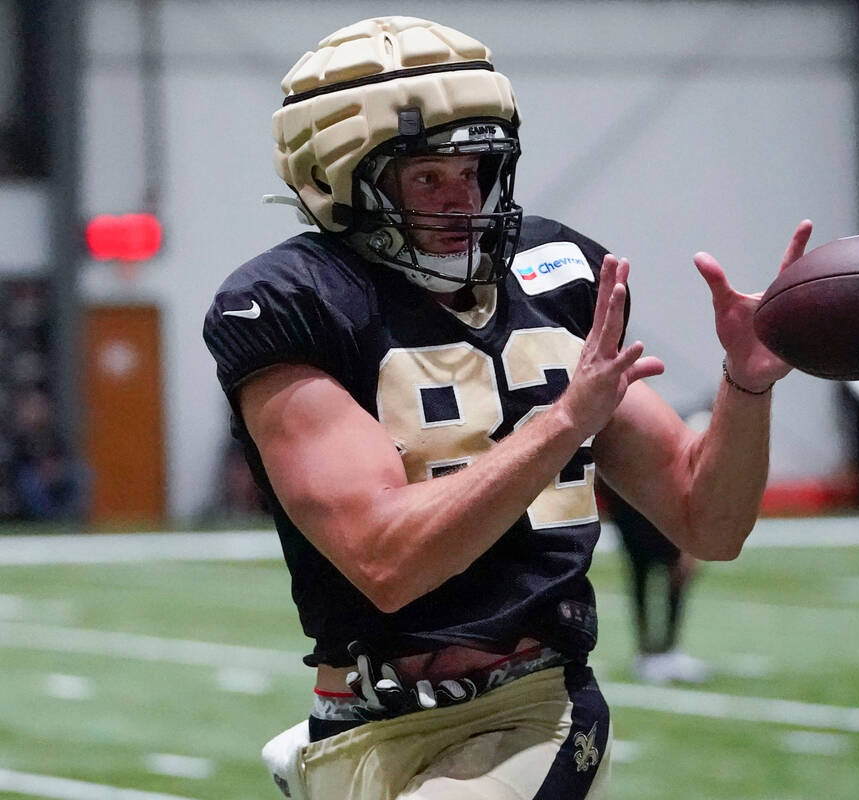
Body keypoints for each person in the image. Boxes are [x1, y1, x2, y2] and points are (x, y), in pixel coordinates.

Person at [203, 17, 811, 800]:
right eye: (427, 178)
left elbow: (708, 520)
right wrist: (562, 424)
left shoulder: (559, 276)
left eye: (478, 169)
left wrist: (747, 385)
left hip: (527, 710)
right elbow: (385, 560)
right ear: (340, 179)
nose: (464, 201)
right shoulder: (292, 304)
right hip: (353, 721)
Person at [596, 402, 713, 686]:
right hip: (640, 511)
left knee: (674, 577)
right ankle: (648, 652)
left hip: (657, 508)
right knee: (643, 575)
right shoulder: (684, 429)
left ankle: (668, 649)